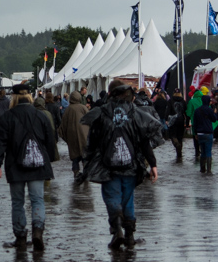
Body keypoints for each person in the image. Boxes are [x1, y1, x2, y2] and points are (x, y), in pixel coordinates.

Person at [80, 79, 160, 250]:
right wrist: (152, 164)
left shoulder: (100, 113)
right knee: (128, 198)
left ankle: (117, 230)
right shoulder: (136, 113)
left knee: (112, 197)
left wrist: (87, 164)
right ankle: (130, 235)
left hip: (108, 166)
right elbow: (145, 141)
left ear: (110, 94)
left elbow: (92, 142)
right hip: (130, 166)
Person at [0, 84, 57, 252]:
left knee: (18, 202)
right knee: (37, 200)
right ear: (29, 97)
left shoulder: (6, 118)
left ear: (14, 97)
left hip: (15, 165)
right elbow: (51, 140)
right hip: (37, 165)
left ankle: (20, 238)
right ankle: (38, 233)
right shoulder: (41, 116)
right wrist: (47, 158)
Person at [59, 91, 89, 180]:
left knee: (75, 157)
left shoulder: (68, 110)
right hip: (84, 135)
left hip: (72, 137)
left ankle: (76, 173)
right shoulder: (83, 108)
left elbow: (63, 125)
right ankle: (86, 173)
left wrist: (66, 137)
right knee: (84, 155)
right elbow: (91, 119)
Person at [193, 94, 218, 174]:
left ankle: (202, 169)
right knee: (208, 151)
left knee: (202, 151)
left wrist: (195, 133)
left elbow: (195, 123)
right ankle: (209, 170)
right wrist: (215, 113)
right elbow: (214, 120)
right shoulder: (210, 110)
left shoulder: (197, 110)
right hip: (208, 133)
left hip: (200, 134)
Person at [166, 90, 187, 161]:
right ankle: (179, 153)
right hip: (181, 120)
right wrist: (186, 123)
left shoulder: (170, 101)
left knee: (172, 135)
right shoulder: (183, 101)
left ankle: (176, 143)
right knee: (180, 137)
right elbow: (185, 111)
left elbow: (168, 111)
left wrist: (166, 119)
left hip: (173, 120)